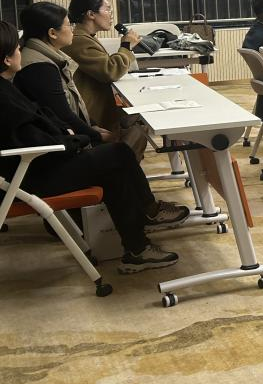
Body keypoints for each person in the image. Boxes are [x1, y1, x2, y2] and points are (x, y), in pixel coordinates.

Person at [0, 21, 188, 273]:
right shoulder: (7, 96)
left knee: (115, 165)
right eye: (17, 49)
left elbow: (42, 118)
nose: (21, 52)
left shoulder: (7, 86)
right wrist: (79, 139)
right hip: (29, 177)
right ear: (7, 59)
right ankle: (145, 222)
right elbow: (35, 139)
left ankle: (138, 244)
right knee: (117, 155)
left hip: (36, 165)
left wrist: (71, 134)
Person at [62, 0, 147, 157]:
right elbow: (110, 71)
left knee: (139, 117)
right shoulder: (78, 40)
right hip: (91, 114)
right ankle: (122, 164)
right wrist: (126, 46)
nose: (111, 15)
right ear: (91, 14)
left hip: (98, 108)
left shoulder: (86, 37)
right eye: (107, 9)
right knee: (140, 121)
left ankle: (122, 162)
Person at [15, 2, 112, 144]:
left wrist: (92, 125)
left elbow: (69, 107)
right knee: (126, 145)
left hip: (67, 137)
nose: (73, 29)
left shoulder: (46, 57)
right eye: (68, 25)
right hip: (58, 145)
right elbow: (62, 115)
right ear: (52, 33)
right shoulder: (40, 67)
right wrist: (98, 136)